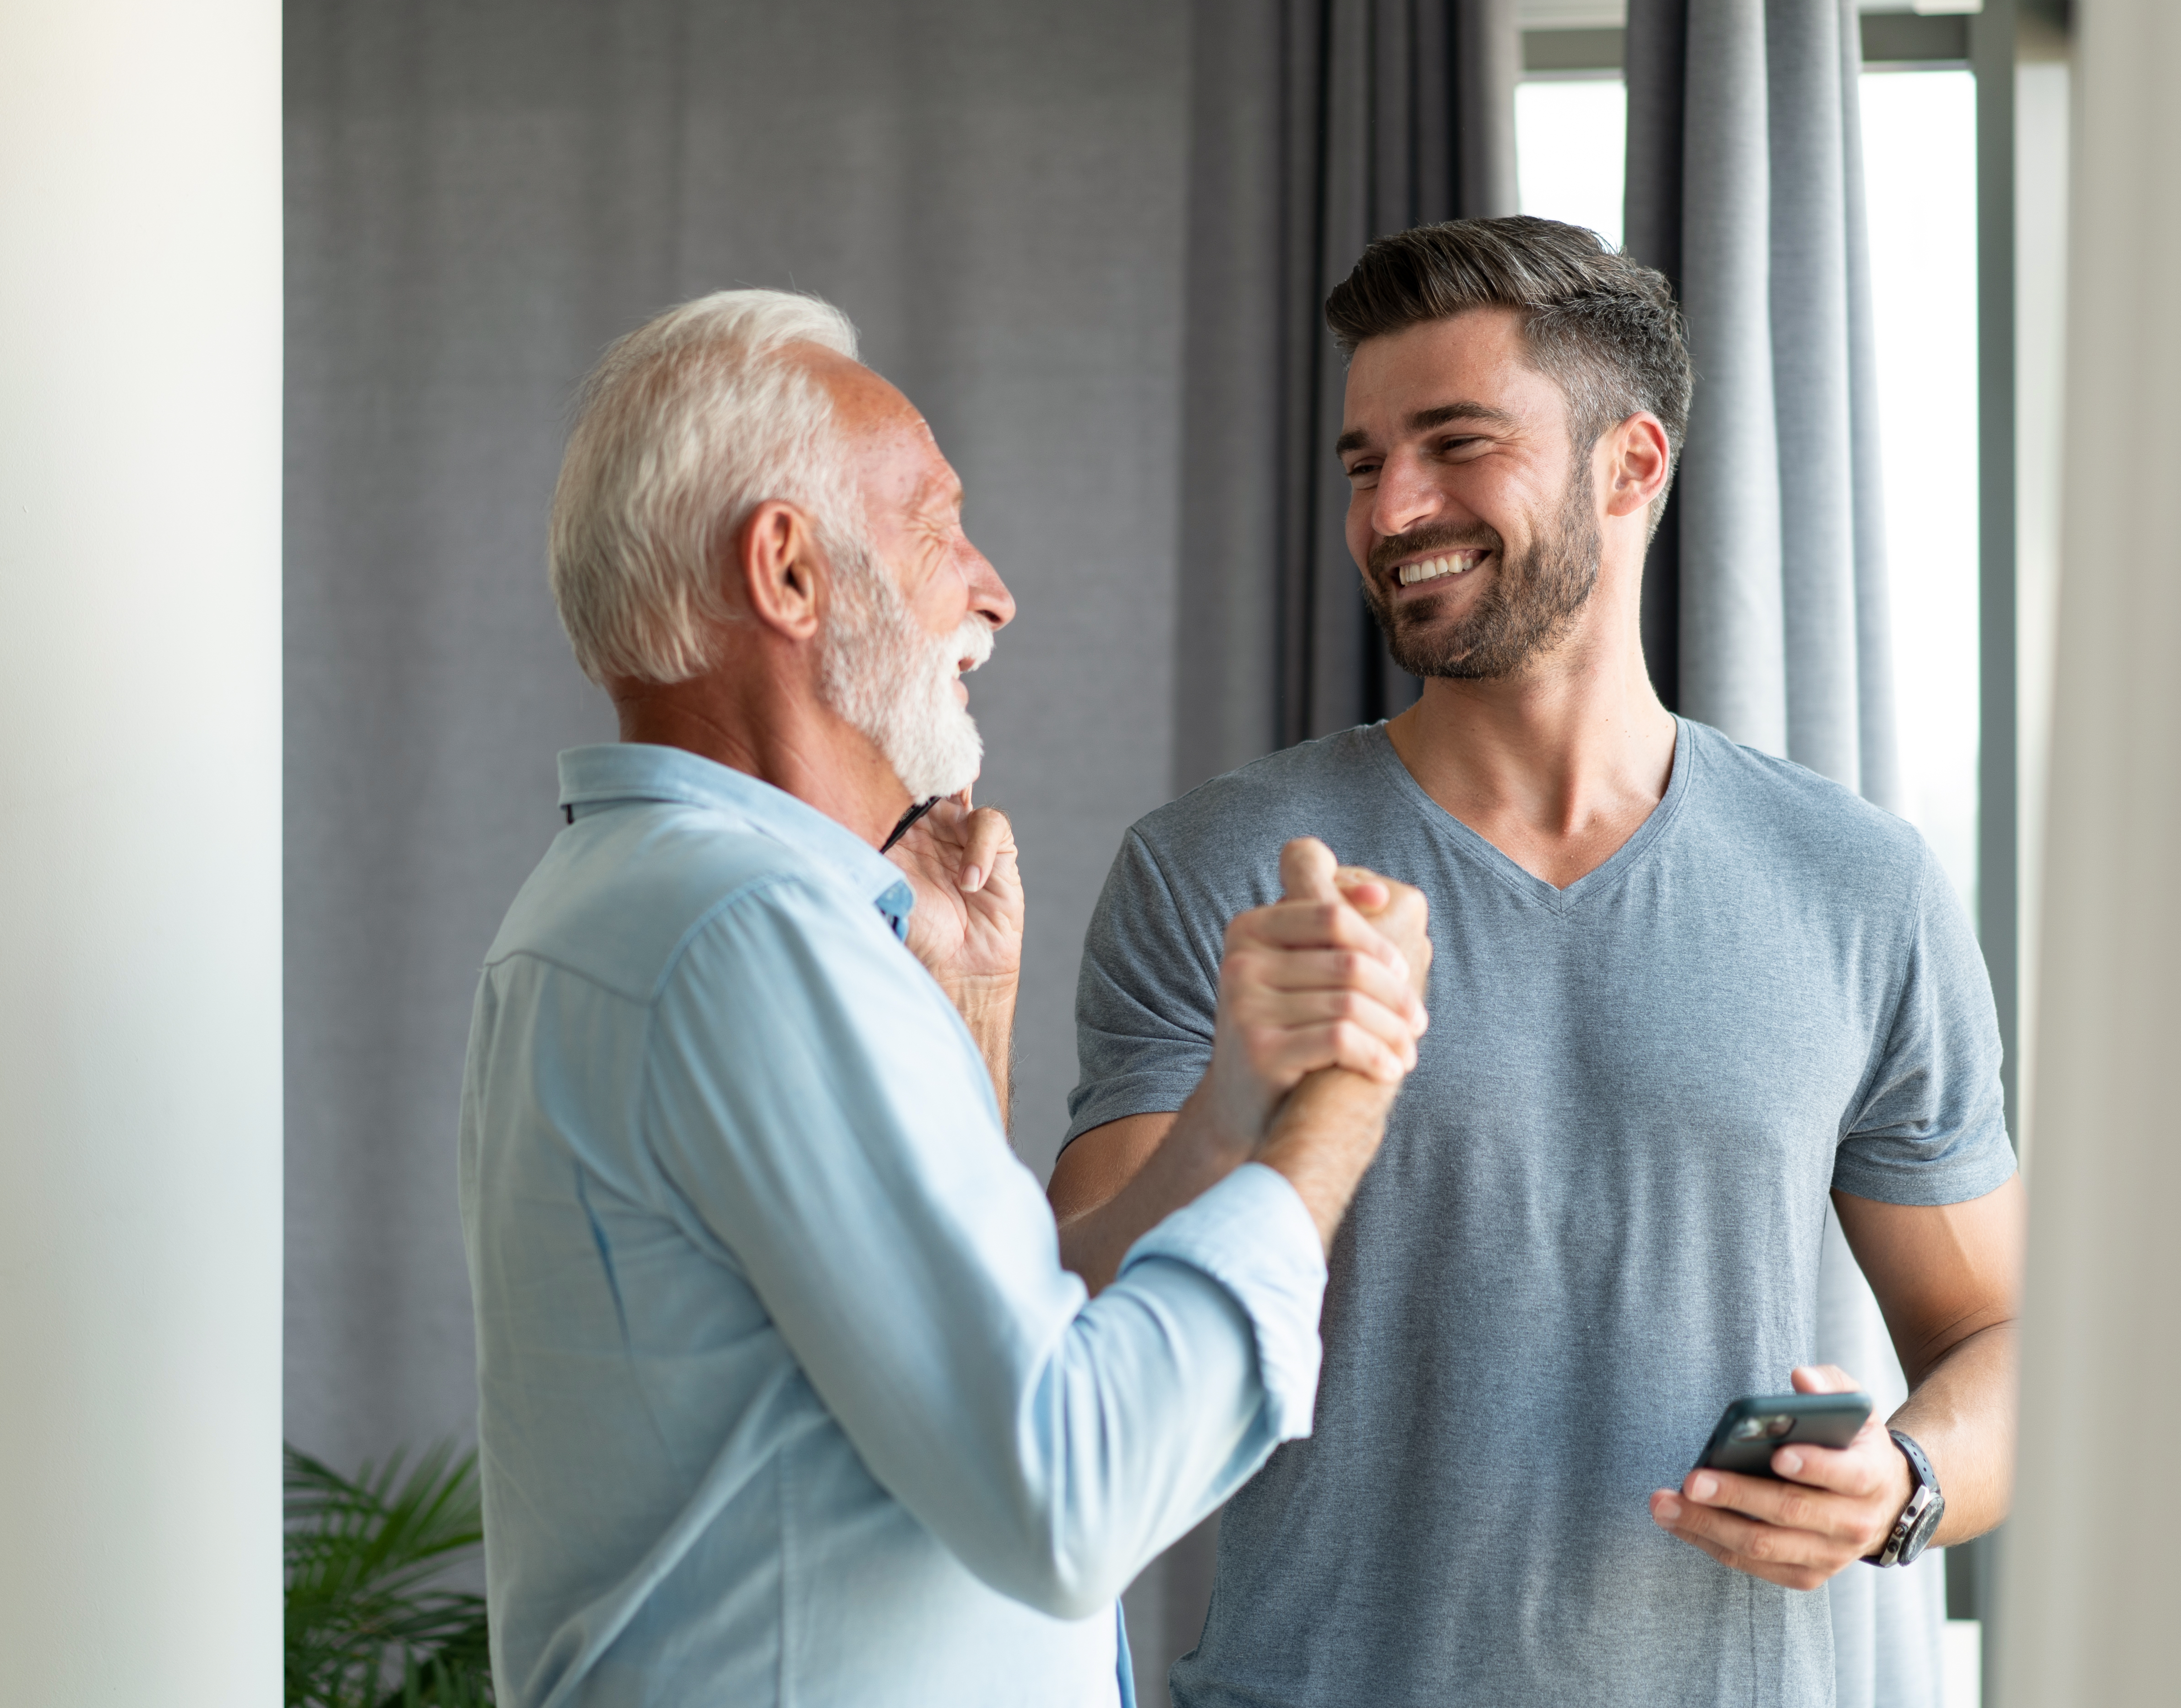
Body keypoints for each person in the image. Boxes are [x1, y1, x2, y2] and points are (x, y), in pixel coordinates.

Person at [1048, 220, 2024, 1706]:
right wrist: (1244, 1101)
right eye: (1366, 463)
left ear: (1631, 467)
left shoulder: (1858, 883)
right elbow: (1072, 1332)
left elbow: (1999, 1339)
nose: (1394, 509)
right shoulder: (1219, 869)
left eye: (1455, 443)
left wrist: (1903, 1479)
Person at [458, 288, 1434, 1707]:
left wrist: (1231, 1111)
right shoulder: (749, 933)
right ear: (788, 574)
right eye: (939, 524)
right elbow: (1066, 1491)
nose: (995, 588)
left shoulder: (647, 904)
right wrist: (1337, 1111)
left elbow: (970, 1351)